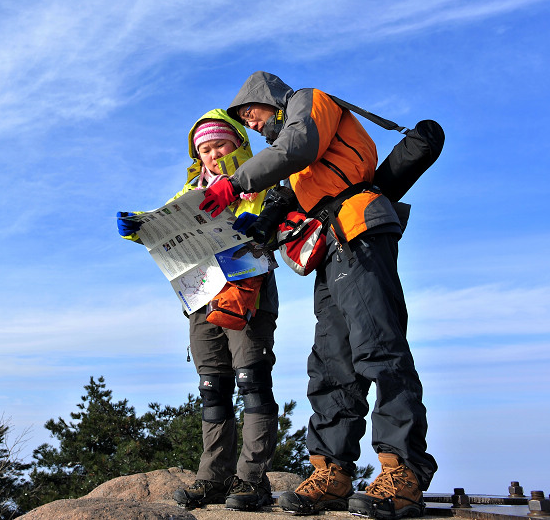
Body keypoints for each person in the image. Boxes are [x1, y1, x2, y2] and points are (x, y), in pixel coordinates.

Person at [198, 72, 437, 520]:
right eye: (244, 120)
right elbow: (289, 194)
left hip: (360, 228)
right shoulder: (295, 157)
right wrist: (262, 225)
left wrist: (239, 181)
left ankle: (403, 469)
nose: (249, 122)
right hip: (330, 243)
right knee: (330, 361)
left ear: (268, 98)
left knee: (378, 347)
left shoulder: (309, 103)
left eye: (249, 112)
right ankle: (332, 471)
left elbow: (297, 147)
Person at [117, 109, 279, 511]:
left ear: (239, 143)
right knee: (213, 388)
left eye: (219, 145)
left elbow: (275, 221)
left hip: (246, 292)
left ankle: (252, 479)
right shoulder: (190, 190)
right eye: (203, 149)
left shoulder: (262, 177)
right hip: (200, 296)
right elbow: (163, 231)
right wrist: (138, 229)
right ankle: (213, 478)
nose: (210, 155)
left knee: (252, 382)